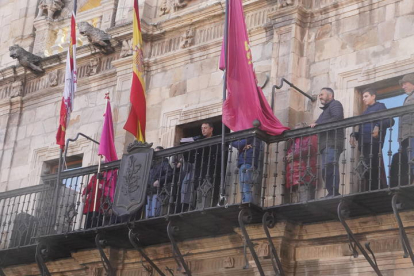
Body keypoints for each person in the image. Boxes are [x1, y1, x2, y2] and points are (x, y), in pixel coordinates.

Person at [350, 88, 393, 190]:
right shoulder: (364, 112)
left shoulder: (380, 106)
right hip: (364, 143)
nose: (363, 99)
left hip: (374, 141)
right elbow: (363, 129)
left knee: (372, 166)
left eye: (366, 96)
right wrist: (354, 134)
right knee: (365, 167)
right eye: (363, 97)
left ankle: (375, 188)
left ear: (373, 96)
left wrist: (378, 125)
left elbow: (390, 121)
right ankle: (369, 188)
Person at [310, 87, 344, 197]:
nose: (320, 97)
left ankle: (333, 192)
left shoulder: (335, 104)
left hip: (332, 142)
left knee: (330, 166)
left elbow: (337, 117)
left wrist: (319, 124)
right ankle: (331, 191)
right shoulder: (325, 111)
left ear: (330, 96)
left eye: (322, 94)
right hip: (325, 144)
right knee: (326, 168)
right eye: (319, 95)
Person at [181, 121, 221, 209]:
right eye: (202, 128)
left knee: (208, 189)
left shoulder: (217, 140)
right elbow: (184, 143)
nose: (203, 130)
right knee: (198, 189)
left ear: (211, 129)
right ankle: (197, 207)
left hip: (211, 170)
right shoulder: (199, 139)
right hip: (200, 170)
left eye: (205, 128)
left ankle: (204, 207)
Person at [286, 123, 318, 202]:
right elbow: (289, 153)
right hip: (293, 174)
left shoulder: (311, 137)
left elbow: (311, 148)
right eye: (296, 129)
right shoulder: (294, 141)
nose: (297, 131)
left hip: (305, 172)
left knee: (305, 196)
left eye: (299, 129)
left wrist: (294, 155)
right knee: (298, 196)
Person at [231, 137, 262, 203]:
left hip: (247, 163)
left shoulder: (251, 136)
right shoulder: (251, 139)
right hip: (245, 163)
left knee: (246, 188)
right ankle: (246, 203)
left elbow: (238, 144)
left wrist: (227, 140)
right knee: (243, 189)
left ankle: (248, 205)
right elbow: (240, 145)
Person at [146, 146, 172, 218]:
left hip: (159, 191)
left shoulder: (164, 163)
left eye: (158, 152)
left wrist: (159, 181)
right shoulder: (151, 165)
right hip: (149, 191)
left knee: (155, 214)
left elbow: (169, 174)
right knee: (148, 215)